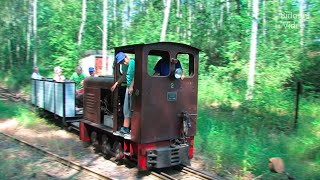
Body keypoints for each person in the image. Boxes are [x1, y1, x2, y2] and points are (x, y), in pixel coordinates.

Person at [111, 52, 135, 135]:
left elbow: (137, 76)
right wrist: (116, 83)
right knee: (126, 108)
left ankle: (132, 128)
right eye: (121, 62)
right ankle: (126, 128)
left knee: (132, 108)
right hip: (129, 88)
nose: (123, 63)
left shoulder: (133, 62)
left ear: (126, 57)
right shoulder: (124, 65)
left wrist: (131, 86)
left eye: (123, 61)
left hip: (135, 88)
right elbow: (124, 76)